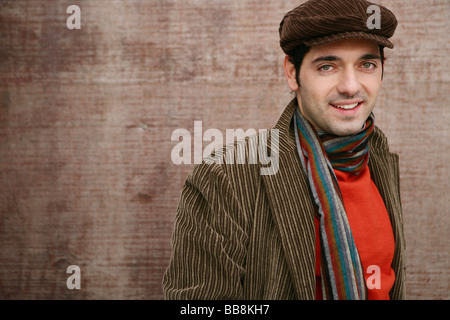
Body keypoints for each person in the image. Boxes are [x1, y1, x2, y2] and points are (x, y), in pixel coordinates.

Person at [163, 0, 405, 300]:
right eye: (327, 66)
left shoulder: (378, 158)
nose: (351, 86)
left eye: (366, 64)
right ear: (293, 73)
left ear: (382, 71)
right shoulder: (226, 176)